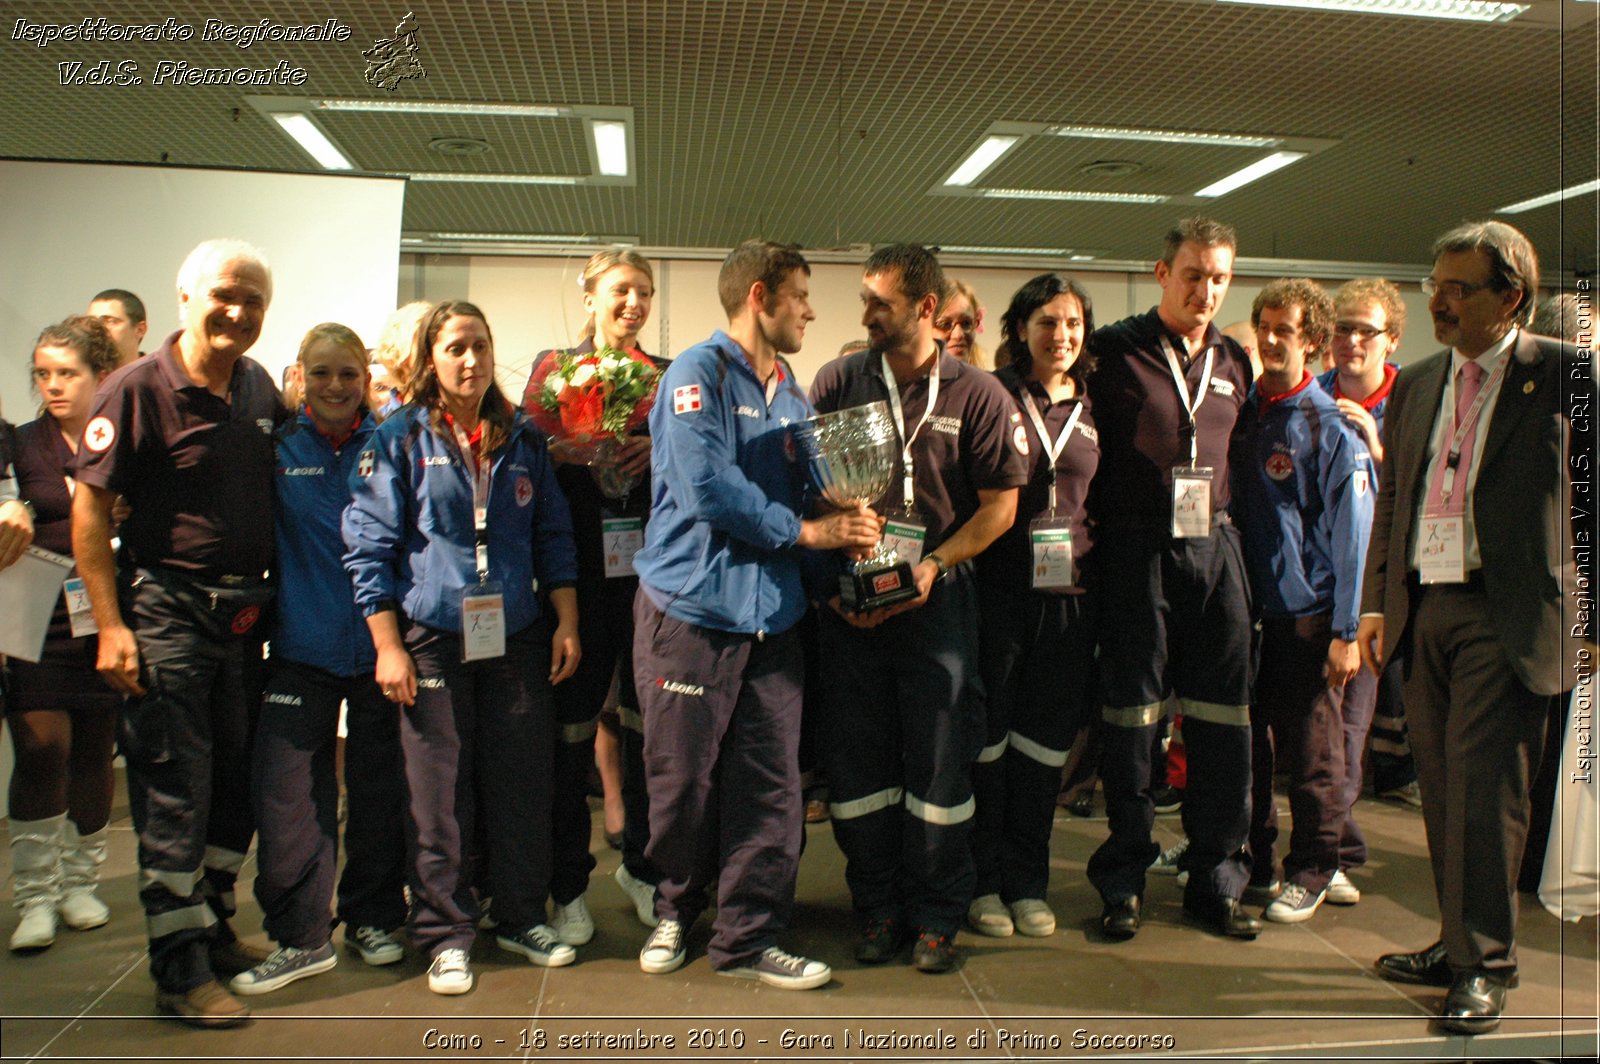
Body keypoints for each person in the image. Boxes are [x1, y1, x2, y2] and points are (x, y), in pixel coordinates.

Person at [1356, 221, 1591, 1035]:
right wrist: (1378, 603)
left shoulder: (1566, 377)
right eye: (1434, 285)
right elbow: (1395, 500)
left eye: (1458, 288)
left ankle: (1486, 965)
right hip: (1427, 604)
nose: (1439, 301)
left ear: (1511, 298)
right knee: (1445, 789)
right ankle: (1457, 943)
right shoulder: (1419, 380)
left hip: (1511, 610)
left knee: (1488, 795)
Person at [631, 240, 875, 990]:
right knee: (682, 786)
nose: (810, 310)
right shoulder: (695, 375)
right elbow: (710, 487)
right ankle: (676, 905)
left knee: (773, 791)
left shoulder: (796, 398)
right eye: (802, 295)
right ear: (761, 295)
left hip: (776, 621)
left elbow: (809, 499)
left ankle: (749, 937)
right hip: (693, 616)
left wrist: (847, 538)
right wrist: (805, 532)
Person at [70, 239, 281, 1027]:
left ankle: (214, 930)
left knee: (234, 787)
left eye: (254, 300)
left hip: (246, 622)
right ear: (187, 297)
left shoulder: (259, 387)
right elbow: (92, 511)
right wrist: (111, 626)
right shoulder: (135, 390)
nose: (239, 312)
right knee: (174, 792)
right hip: (166, 617)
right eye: (226, 294)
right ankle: (178, 970)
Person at [344, 300, 581, 996]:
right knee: (438, 789)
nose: (470, 360)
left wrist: (566, 622)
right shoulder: (396, 438)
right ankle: (446, 933)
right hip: (430, 636)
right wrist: (388, 646)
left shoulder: (524, 439)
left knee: (520, 779)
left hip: (516, 634)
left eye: (479, 345)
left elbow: (555, 539)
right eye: (455, 348)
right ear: (430, 358)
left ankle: (516, 915)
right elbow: (369, 550)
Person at [811, 244, 1026, 974]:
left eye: (881, 303)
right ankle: (877, 909)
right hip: (852, 601)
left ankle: (938, 916)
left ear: (927, 309)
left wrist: (934, 563)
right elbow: (813, 489)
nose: (865, 314)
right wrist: (844, 554)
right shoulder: (839, 381)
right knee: (860, 765)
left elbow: (1001, 508)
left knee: (939, 767)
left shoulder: (979, 395)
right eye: (865, 300)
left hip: (938, 602)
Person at [1084, 217, 1260, 942]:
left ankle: (1215, 878)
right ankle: (1123, 876)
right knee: (1132, 722)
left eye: (1219, 277)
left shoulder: (1234, 359)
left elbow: (1241, 456)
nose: (1206, 290)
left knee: (1223, 719)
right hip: (1136, 553)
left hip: (1213, 551)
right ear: (1162, 273)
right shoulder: (1113, 352)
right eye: (1193, 274)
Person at [228, 324, 407, 996]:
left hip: (380, 652)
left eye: (348, 375)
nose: (336, 387)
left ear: (366, 379)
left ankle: (374, 917)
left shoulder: (391, 446)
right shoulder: (276, 450)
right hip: (299, 650)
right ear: (299, 376)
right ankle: (302, 937)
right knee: (290, 798)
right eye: (322, 373)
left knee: (380, 793)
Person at [519, 249, 663, 944]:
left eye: (644, 292)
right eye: (620, 290)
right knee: (570, 735)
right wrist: (561, 453)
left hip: (647, 582)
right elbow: (519, 464)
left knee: (644, 731)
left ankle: (643, 865)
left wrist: (657, 453)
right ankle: (566, 883)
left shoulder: (664, 378)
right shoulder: (555, 371)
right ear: (590, 296)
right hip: (574, 580)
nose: (633, 302)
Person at [1231, 279, 1375, 924]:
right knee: (1250, 751)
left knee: (1315, 754)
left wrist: (1346, 629)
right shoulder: (1243, 413)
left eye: (1284, 330)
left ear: (1313, 341)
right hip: (1246, 613)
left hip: (1309, 616)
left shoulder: (1331, 425)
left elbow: (1354, 537)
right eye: (1263, 325)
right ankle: (1256, 861)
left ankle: (1315, 867)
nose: (1269, 339)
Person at [969, 274, 1099, 939]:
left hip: (1069, 599)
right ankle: (983, 881)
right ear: (1021, 328)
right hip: (1001, 593)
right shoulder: (995, 395)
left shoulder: (1098, 405)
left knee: (1045, 748)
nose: (1062, 336)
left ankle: (1028, 881)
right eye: (1048, 322)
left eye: (1073, 323)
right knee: (990, 742)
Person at [6, 317, 122, 953]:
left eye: (67, 374)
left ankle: (81, 882)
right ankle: (34, 895)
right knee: (41, 747)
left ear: (99, 376)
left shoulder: (115, 440)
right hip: (33, 614)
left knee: (95, 748)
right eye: (43, 374)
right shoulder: (20, 445)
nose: (53, 386)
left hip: (101, 613)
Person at [368, 300, 432, 416]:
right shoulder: (383, 427)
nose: (433, 359)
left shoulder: (463, 412)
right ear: (398, 358)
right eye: (424, 350)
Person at [935, 278, 990, 369]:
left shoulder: (985, 382)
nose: (958, 335)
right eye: (945, 324)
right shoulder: (910, 381)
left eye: (966, 323)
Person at [88, 289, 149, 366]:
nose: (98, 329)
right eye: (92, 322)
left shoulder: (159, 376)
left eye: (110, 321)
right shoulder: (83, 375)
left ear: (140, 330)